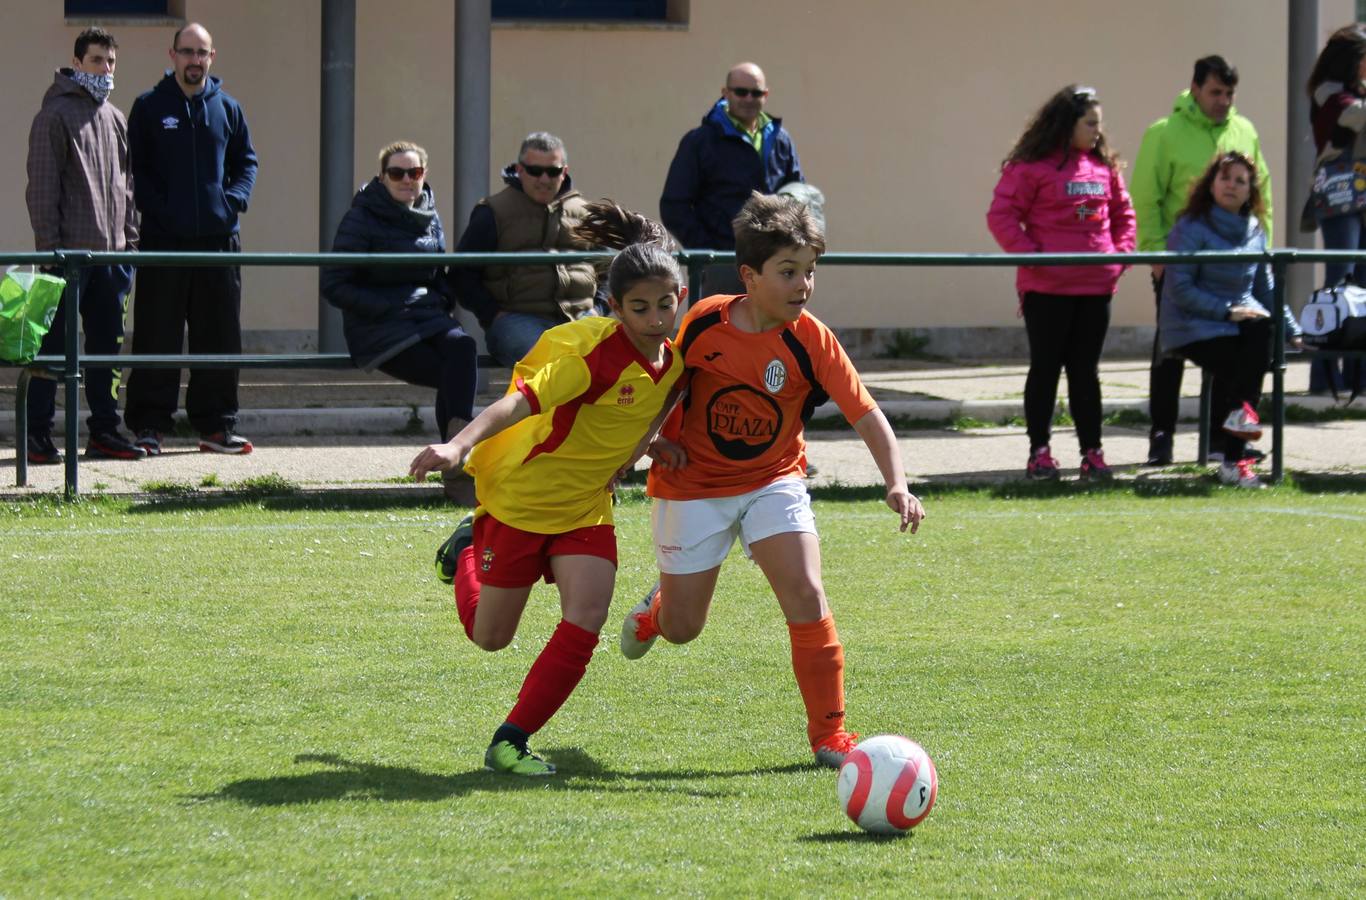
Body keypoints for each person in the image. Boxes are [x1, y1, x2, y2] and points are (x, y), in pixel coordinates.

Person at [618, 192, 926, 770]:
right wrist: (646, 447)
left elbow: (867, 413)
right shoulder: (705, 322)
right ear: (749, 276)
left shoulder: (811, 340)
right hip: (693, 487)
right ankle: (657, 612)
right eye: (788, 272)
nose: (803, 285)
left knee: (807, 594)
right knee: (685, 628)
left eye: (810, 272)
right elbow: (664, 392)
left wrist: (896, 482)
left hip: (773, 481)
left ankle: (831, 735)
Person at [410, 202, 685, 776]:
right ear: (614, 306)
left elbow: (651, 408)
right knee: (491, 638)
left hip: (585, 508)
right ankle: (465, 549)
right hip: (524, 503)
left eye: (666, 303)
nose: (656, 318)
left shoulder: (677, 359)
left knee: (586, 614)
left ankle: (510, 741)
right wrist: (458, 447)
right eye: (640, 308)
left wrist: (647, 446)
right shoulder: (591, 357)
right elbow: (517, 402)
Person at [986, 85, 1136, 481]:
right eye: (1090, 124)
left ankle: (1093, 453)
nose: (1097, 132)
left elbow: (1124, 217)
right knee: (1046, 369)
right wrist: (1035, 257)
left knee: (1086, 372)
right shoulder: (1031, 166)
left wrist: (1118, 259)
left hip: (1095, 288)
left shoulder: (1104, 167)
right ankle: (1040, 454)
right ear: (1065, 125)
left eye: (1099, 125)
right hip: (1046, 290)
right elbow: (1001, 216)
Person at [124, 22, 258, 456]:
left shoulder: (229, 109)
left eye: (202, 53)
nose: (194, 60)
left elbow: (247, 163)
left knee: (218, 335)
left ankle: (217, 426)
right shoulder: (148, 107)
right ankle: (149, 425)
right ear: (172, 55)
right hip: (163, 242)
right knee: (156, 334)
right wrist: (162, 212)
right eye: (187, 52)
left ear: (212, 57)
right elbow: (136, 172)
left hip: (219, 242)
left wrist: (230, 202)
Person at [1131, 56, 1272, 464]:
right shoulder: (1164, 132)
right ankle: (1162, 436)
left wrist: (1264, 253)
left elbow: (1263, 194)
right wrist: (1157, 255)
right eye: (1215, 92)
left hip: (1232, 266)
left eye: (1230, 94)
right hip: (1180, 262)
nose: (1224, 101)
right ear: (1195, 89)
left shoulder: (1244, 130)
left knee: (1237, 348)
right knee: (1169, 354)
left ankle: (1220, 439)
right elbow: (1145, 196)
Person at [321, 141, 478, 505]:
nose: (407, 180)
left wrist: (442, 298)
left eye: (415, 172)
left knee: (464, 347)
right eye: (397, 173)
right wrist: (386, 306)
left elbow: (438, 270)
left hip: (427, 316)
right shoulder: (362, 216)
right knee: (453, 376)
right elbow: (334, 283)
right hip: (378, 326)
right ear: (382, 177)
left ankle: (454, 459)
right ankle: (457, 468)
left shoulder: (429, 210)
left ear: (424, 175)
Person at [24, 27, 144, 464]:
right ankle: (36, 434)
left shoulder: (114, 118)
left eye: (111, 62)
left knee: (106, 350)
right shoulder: (53, 115)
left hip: (111, 258)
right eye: (97, 61)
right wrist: (50, 251)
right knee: (53, 349)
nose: (105, 69)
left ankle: (104, 432)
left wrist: (130, 246)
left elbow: (127, 188)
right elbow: (41, 189)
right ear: (77, 63)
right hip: (66, 258)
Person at [1160, 153, 1301, 488]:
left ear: (1250, 190)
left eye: (1240, 180)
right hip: (1192, 324)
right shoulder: (1190, 226)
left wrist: (1293, 330)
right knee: (1245, 370)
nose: (1231, 185)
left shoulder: (1254, 229)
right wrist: (1225, 312)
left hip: (1239, 323)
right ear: (1211, 183)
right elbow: (1179, 288)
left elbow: (1266, 289)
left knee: (1261, 329)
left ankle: (1233, 453)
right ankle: (1235, 459)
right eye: (1225, 177)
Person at [450, 132, 599, 368]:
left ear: (565, 172)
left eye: (553, 171)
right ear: (519, 170)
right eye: (534, 170)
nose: (544, 178)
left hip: (581, 316)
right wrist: (493, 314)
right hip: (518, 319)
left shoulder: (585, 213)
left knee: (608, 362)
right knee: (551, 365)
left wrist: (599, 307)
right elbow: (462, 274)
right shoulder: (493, 212)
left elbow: (611, 268)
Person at [660, 62, 804, 296]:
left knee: (774, 332)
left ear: (766, 95)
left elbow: (797, 190)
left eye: (756, 93)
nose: (748, 98)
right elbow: (674, 206)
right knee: (721, 330)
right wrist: (709, 252)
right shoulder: (700, 141)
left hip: (775, 264)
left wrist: (788, 248)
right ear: (725, 93)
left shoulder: (781, 140)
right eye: (740, 92)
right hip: (723, 266)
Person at [1307, 25, 1366, 397]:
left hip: (1361, 197)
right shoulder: (1329, 92)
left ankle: (1359, 378)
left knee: (1362, 289)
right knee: (1337, 285)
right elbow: (1356, 116)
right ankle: (1323, 378)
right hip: (1339, 195)